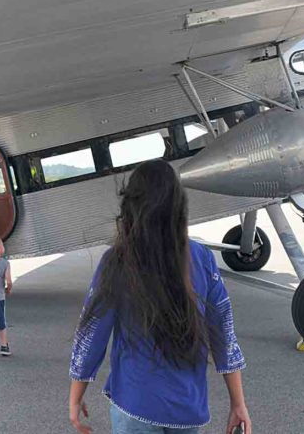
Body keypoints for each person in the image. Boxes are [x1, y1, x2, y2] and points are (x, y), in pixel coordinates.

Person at [69, 160, 252, 434]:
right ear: (179, 207)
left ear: (131, 206)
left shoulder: (118, 261)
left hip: (135, 403)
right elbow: (223, 333)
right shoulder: (201, 258)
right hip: (187, 408)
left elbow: (91, 333)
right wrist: (238, 403)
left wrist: (75, 397)